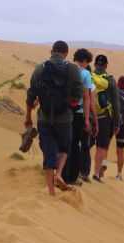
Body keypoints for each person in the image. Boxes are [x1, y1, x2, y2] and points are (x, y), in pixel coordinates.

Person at [25, 41, 83, 195]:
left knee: (48, 152)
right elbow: (77, 96)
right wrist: (68, 104)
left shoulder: (39, 68)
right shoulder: (72, 68)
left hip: (44, 118)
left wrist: (28, 117)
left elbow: (30, 96)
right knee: (64, 148)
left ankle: (51, 191)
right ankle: (59, 174)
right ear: (66, 53)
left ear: (51, 51)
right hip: (64, 118)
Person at [62, 48, 96, 185]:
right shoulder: (85, 73)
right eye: (87, 62)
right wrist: (87, 119)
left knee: (63, 144)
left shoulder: (65, 68)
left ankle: (59, 173)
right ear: (85, 61)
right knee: (75, 145)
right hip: (78, 113)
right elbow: (86, 98)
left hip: (62, 112)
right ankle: (71, 178)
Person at [91, 54, 120, 183]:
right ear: (106, 65)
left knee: (86, 145)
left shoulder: (88, 77)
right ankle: (97, 173)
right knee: (102, 147)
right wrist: (117, 122)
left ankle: (83, 171)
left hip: (89, 115)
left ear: (95, 64)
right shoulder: (110, 80)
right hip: (104, 118)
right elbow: (116, 103)